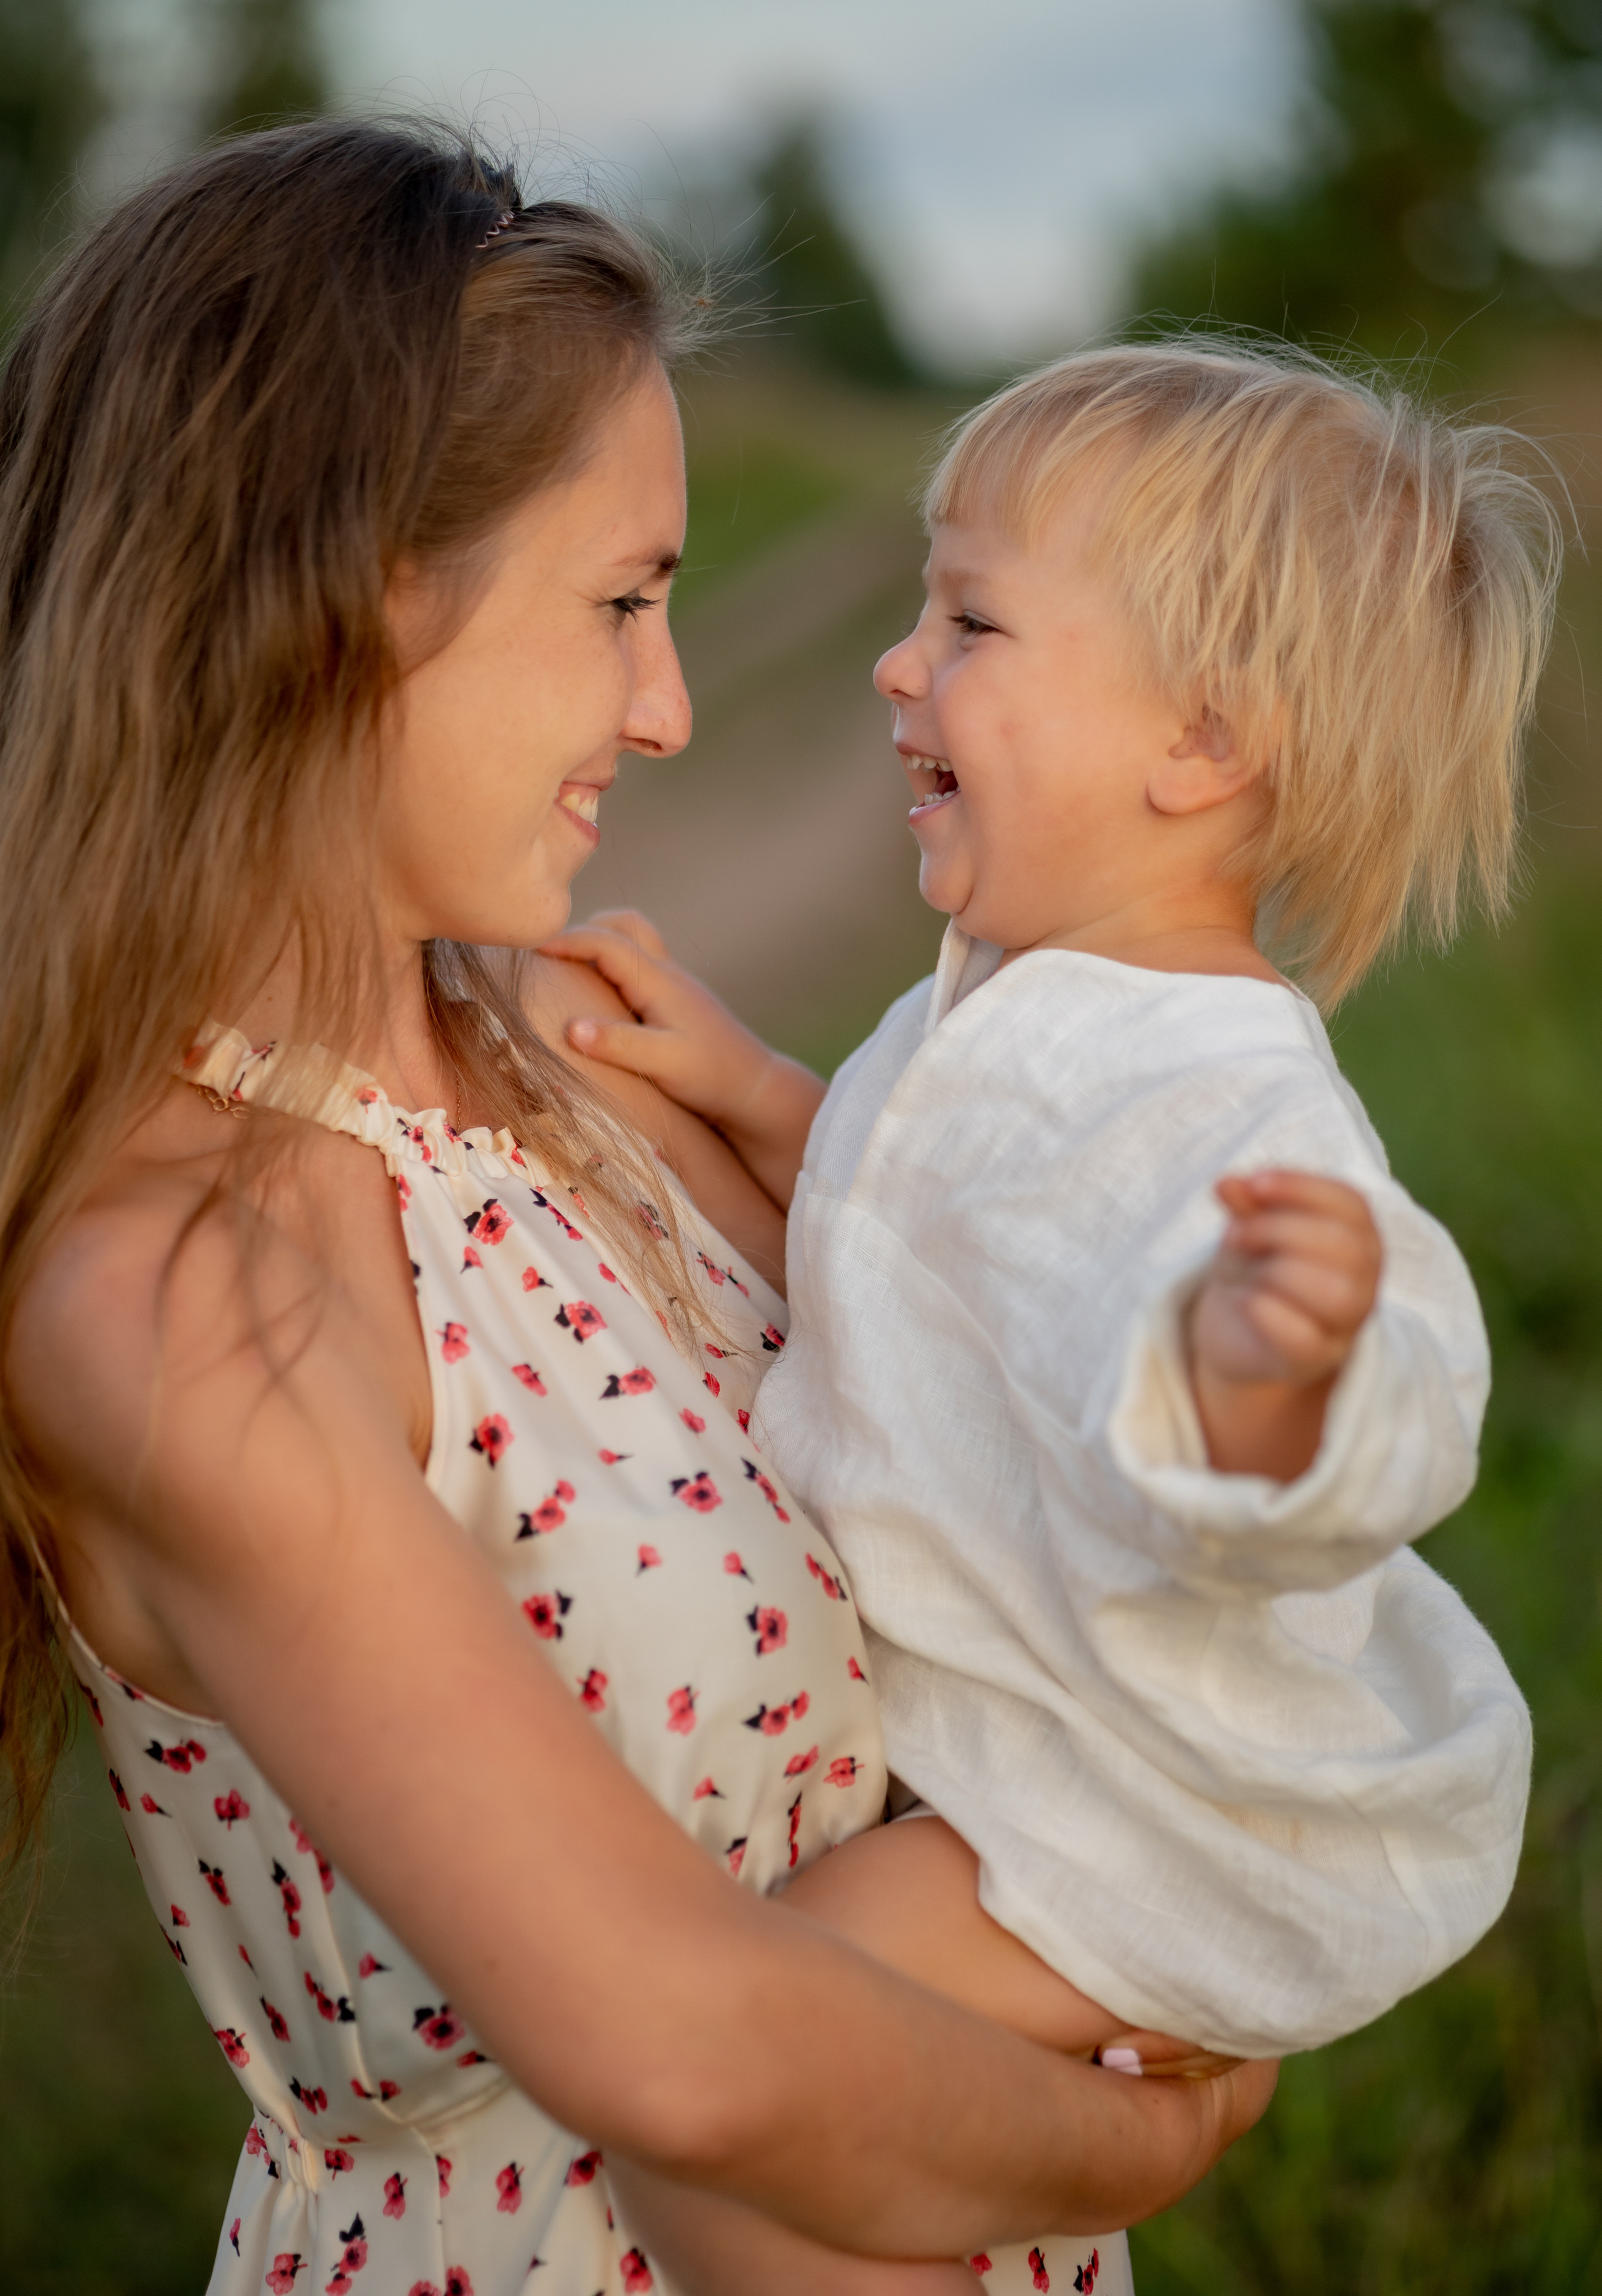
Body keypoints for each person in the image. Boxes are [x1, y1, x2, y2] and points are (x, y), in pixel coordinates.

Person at [0, 126, 1275, 2296]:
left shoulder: (571, 1068)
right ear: (336, 589)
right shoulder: (170, 1295)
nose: (667, 709)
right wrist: (1143, 2134)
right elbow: (675, 2047)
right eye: (618, 603)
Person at [544, 340, 1557, 2293]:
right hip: (1051, 1767)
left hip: (1155, 1815)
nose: (896, 665)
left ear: (1202, 744)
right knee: (794, 2101)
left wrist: (1271, 1388)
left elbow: (1393, 1401)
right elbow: (923, 1238)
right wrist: (752, 1088)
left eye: (972, 619)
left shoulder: (1220, 1096)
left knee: (730, 2084)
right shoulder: (1008, 1006)